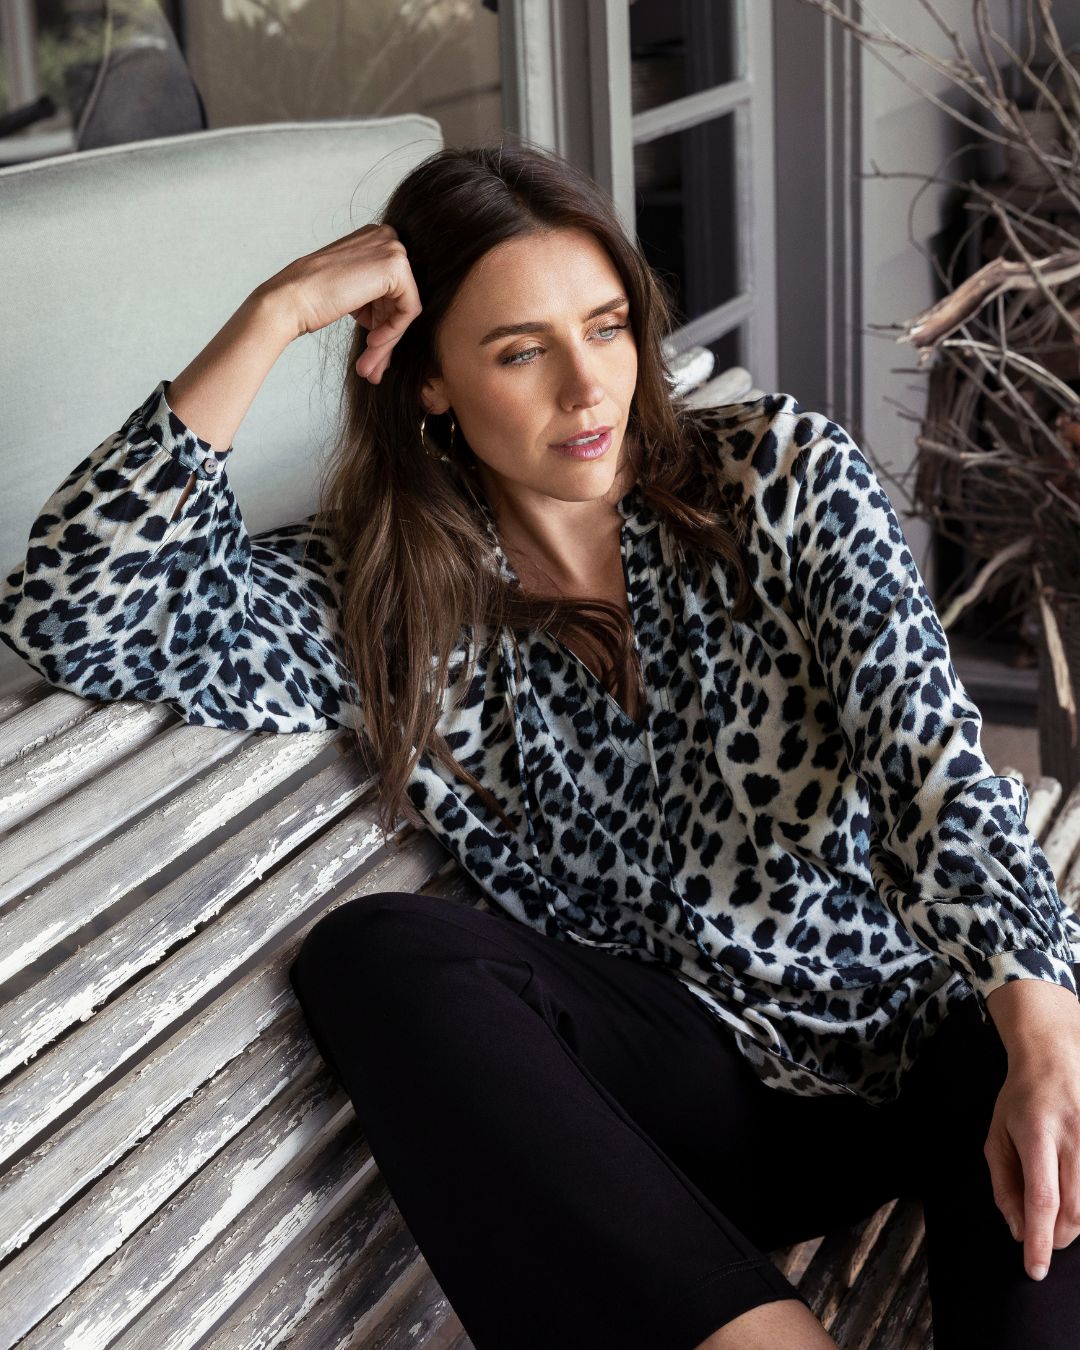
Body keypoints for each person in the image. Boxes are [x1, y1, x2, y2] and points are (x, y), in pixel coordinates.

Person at [3, 141, 1080, 1350]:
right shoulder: (390, 601)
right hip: (695, 1106)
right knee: (378, 955)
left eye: (607, 328)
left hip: (939, 1040)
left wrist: (1042, 1034)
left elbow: (934, 772)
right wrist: (276, 313)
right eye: (520, 352)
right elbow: (75, 613)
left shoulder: (781, 475)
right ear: (429, 381)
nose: (587, 389)